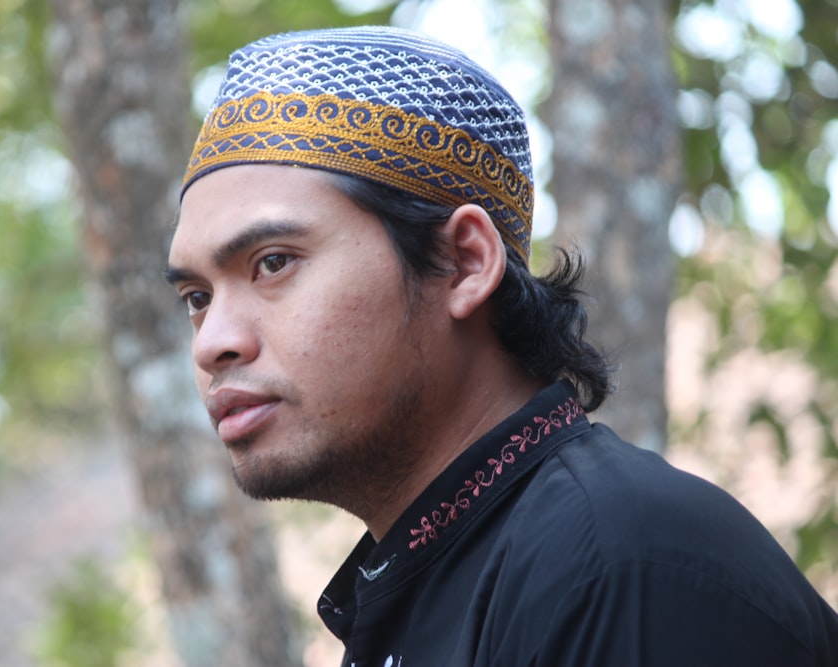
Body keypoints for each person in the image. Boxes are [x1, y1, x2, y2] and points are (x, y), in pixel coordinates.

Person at [165, 25, 838, 667]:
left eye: (273, 262)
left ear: (464, 262)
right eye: (197, 297)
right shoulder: (434, 577)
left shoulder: (620, 564)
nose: (214, 342)